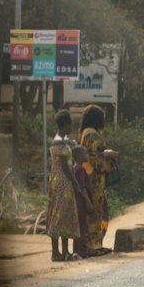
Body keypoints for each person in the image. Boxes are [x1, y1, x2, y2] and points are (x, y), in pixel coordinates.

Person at [78, 105, 116, 256]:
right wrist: (108, 156)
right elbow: (93, 157)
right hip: (93, 178)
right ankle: (93, 245)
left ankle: (96, 244)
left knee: (97, 210)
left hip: (90, 176)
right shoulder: (92, 135)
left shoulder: (84, 132)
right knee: (95, 210)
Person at [46, 110, 81, 263]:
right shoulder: (59, 142)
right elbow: (65, 168)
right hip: (62, 182)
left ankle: (65, 252)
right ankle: (56, 252)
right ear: (65, 125)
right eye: (70, 124)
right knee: (59, 216)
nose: (71, 127)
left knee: (65, 215)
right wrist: (75, 183)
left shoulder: (61, 140)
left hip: (58, 181)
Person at [71, 145, 94, 259]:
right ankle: (79, 250)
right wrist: (89, 202)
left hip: (77, 201)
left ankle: (79, 249)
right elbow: (82, 187)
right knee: (82, 225)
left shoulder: (74, 168)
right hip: (81, 201)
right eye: (85, 154)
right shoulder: (80, 169)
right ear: (79, 155)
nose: (87, 156)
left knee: (80, 225)